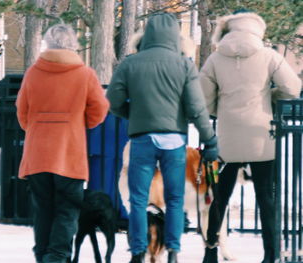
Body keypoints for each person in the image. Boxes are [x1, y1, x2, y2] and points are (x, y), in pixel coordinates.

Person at [107, 13, 218, 263]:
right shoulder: (184, 65)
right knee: (175, 200)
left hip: (142, 138)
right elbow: (197, 108)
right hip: (174, 140)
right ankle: (173, 252)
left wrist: (133, 115)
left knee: (138, 199)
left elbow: (113, 101)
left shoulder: (130, 63)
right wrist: (209, 140)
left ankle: (137, 252)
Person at [199, 9, 302, 263]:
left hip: (226, 138)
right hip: (262, 135)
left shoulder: (215, 58)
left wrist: (220, 110)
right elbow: (292, 88)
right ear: (257, 30)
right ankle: (270, 253)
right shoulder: (269, 56)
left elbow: (203, 98)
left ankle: (210, 250)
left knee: (218, 196)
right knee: (267, 197)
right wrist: (270, 99)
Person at [16, 24, 109, 263]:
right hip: (69, 152)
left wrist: (37, 128)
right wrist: (80, 124)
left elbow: (22, 112)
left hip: (37, 153)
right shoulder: (85, 74)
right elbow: (99, 110)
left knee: (43, 211)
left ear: (47, 44)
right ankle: (57, 257)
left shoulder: (33, 73)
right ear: (73, 44)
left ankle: (43, 255)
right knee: (68, 210)